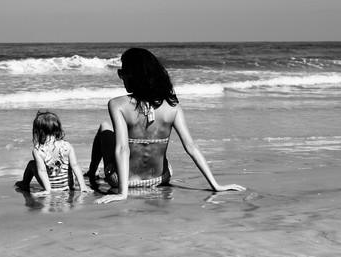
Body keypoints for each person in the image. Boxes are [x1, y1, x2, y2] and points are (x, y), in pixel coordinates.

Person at [85, 48, 245, 204]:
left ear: (132, 75)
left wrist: (122, 193)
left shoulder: (117, 104)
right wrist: (216, 185)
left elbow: (122, 149)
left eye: (122, 73)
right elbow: (191, 146)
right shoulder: (172, 106)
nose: (121, 78)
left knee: (105, 128)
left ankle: (91, 173)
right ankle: (94, 173)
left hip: (122, 181)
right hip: (161, 178)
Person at [15, 110, 93, 196]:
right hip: (68, 186)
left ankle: (25, 183)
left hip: (51, 187)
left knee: (31, 164)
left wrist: (48, 190)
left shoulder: (38, 150)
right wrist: (83, 186)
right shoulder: (67, 146)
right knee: (71, 165)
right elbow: (75, 165)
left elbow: (42, 171)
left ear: (38, 131)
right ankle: (75, 185)